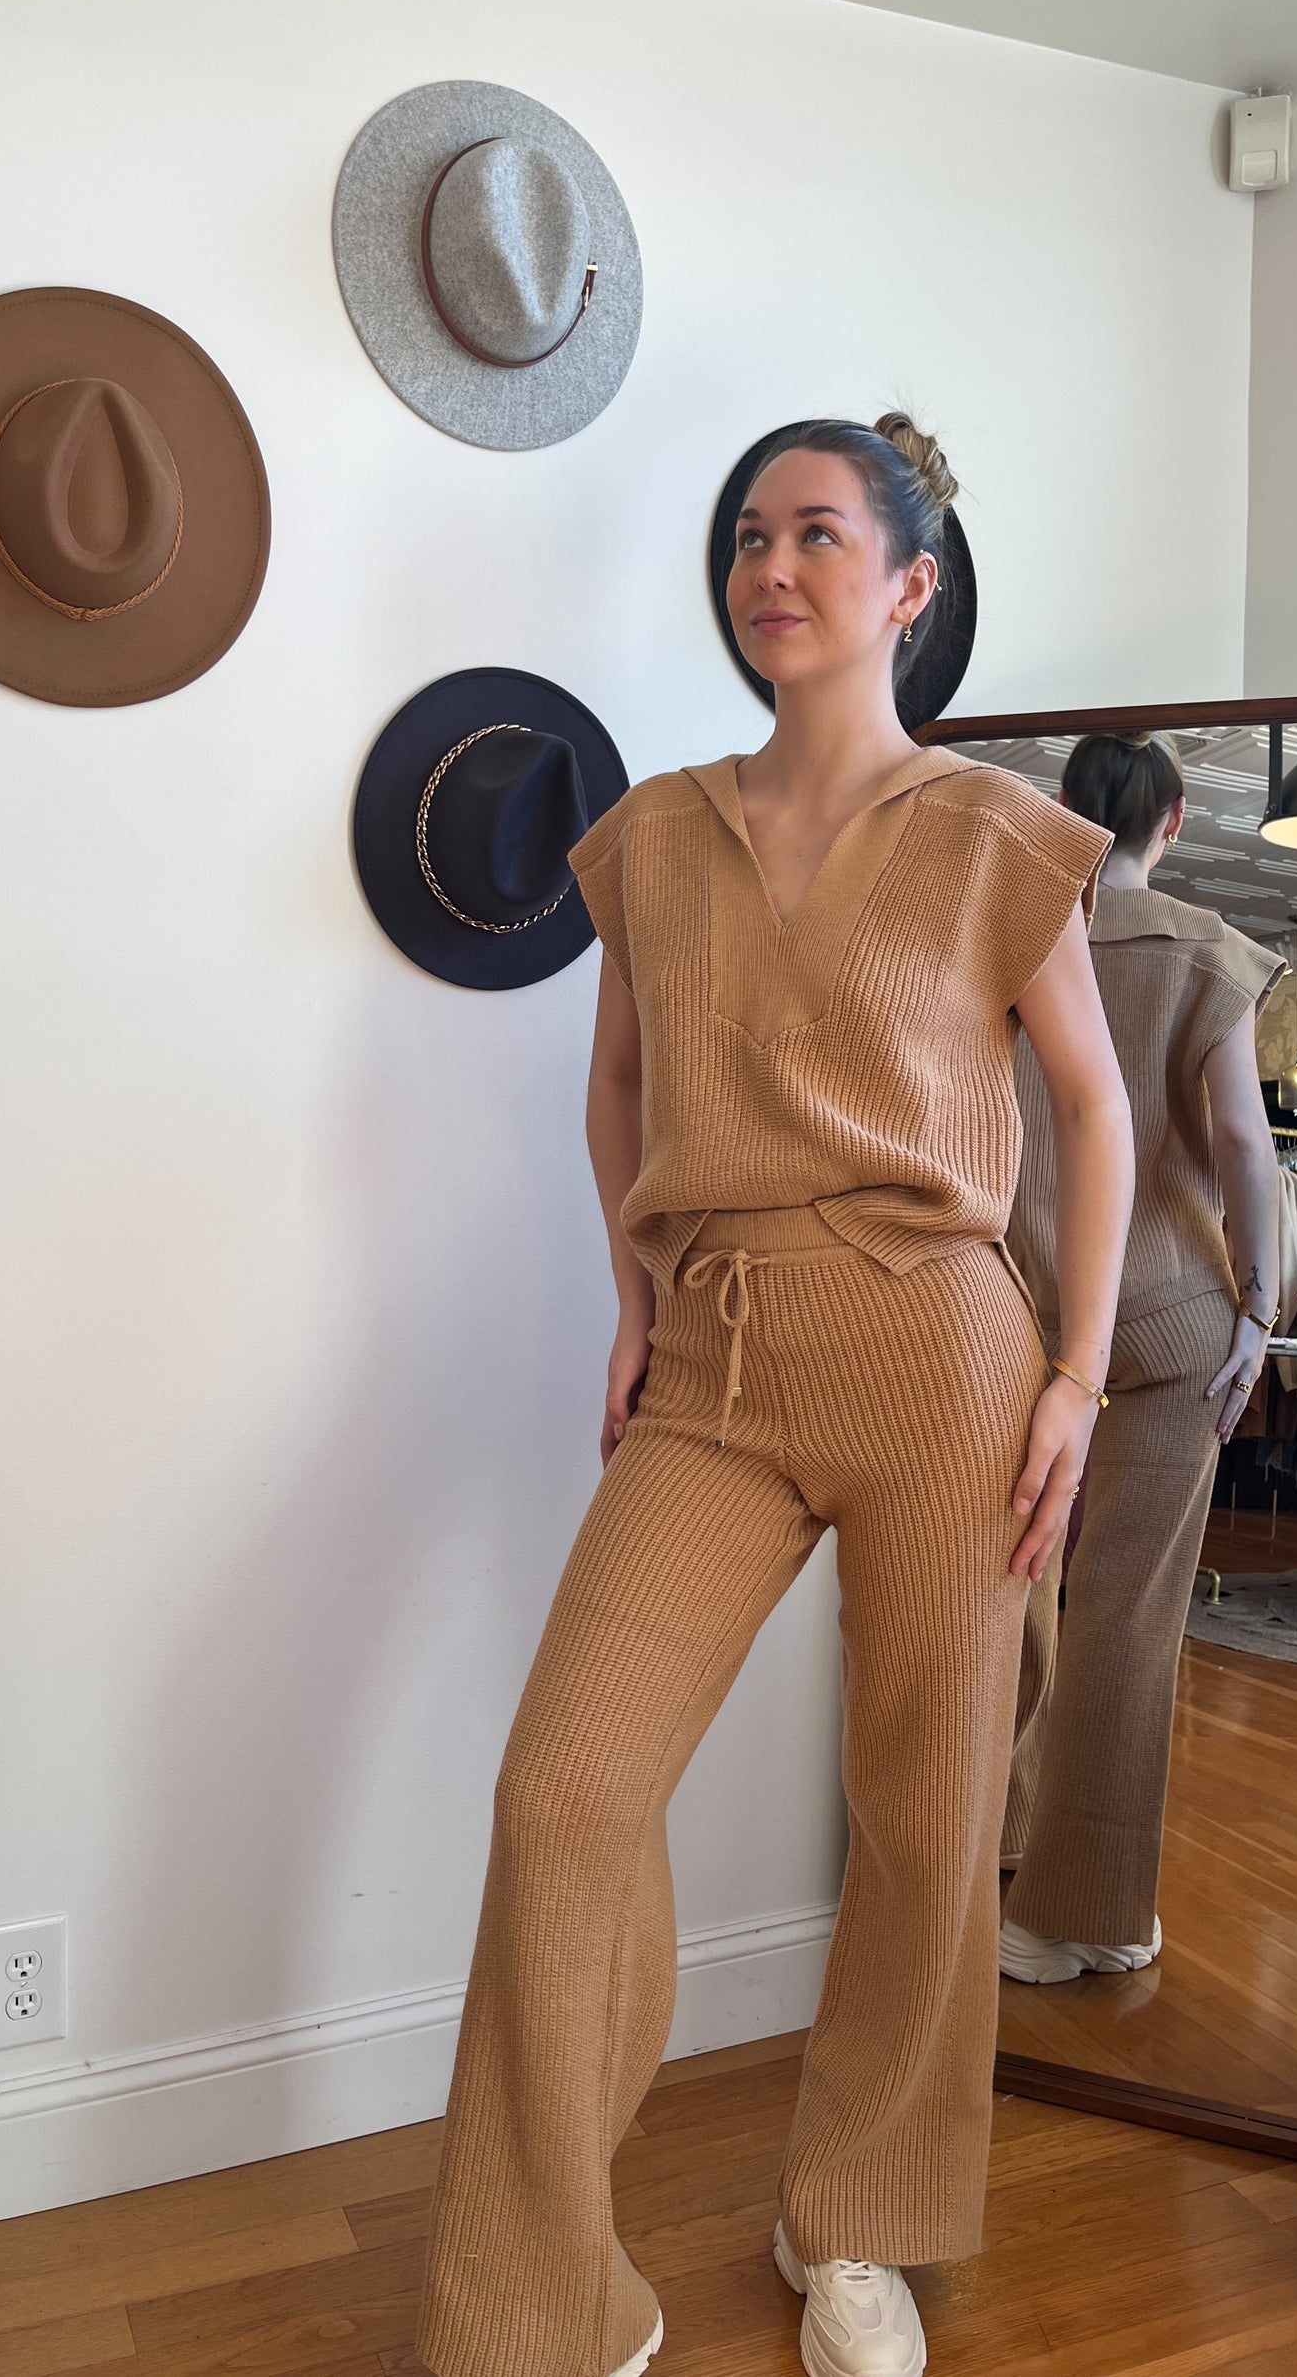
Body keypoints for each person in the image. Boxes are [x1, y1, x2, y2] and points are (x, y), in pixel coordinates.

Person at [416, 415, 1135, 2377]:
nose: (771, 563)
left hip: (943, 1358)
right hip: (716, 1357)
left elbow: (1090, 1104)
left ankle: (860, 2222)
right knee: (565, 1787)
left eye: (817, 532)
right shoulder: (654, 833)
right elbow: (615, 1086)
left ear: (909, 587)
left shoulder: (995, 833)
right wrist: (632, 1290)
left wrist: (1077, 1375)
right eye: (749, 533)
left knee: (924, 1810)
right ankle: (541, 2301)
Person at [997, 730, 1283, 1985]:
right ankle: (1080, 1916)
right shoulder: (1202, 951)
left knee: (1003, 1596)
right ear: (1171, 820)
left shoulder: (1006, 935)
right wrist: (1260, 1311)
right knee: (1126, 1616)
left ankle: (997, 1848)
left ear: (1062, 807)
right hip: (1171, 1321)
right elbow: (1243, 1145)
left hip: (1013, 1315)